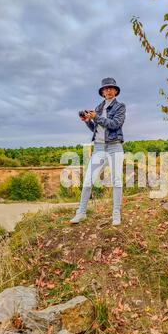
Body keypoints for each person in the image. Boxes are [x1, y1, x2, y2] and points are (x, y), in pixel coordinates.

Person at [70, 77, 125, 226]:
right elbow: (96, 128)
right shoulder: (98, 107)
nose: (108, 90)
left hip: (115, 146)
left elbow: (114, 124)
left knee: (116, 180)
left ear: (115, 91)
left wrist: (96, 117)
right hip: (99, 147)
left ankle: (116, 214)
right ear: (102, 92)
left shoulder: (120, 107)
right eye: (105, 88)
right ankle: (81, 212)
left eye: (111, 88)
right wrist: (88, 120)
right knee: (88, 180)